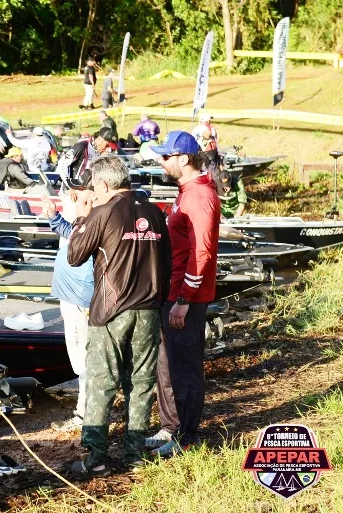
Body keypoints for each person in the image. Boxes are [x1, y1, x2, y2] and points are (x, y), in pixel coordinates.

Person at [67, 154, 171, 475]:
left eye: (94, 190)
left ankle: (95, 457)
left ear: (103, 184)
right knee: (141, 382)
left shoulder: (102, 211)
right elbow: (167, 260)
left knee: (102, 381)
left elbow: (74, 255)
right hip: (150, 309)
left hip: (112, 310)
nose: (92, 195)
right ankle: (135, 454)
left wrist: (81, 217)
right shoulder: (155, 212)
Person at [147, 131, 220, 458]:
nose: (162, 161)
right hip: (173, 294)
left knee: (185, 368)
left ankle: (188, 436)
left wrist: (184, 300)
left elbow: (201, 253)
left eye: (167, 156)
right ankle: (171, 426)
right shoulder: (185, 191)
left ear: (184, 159)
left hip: (185, 299)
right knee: (168, 364)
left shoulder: (199, 196)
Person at [41, 183, 95, 433]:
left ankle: (84, 415)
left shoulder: (94, 223)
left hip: (79, 301)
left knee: (82, 362)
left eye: (81, 197)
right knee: (82, 359)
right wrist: (54, 216)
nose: (74, 199)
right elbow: (69, 232)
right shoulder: (84, 222)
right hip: (72, 299)